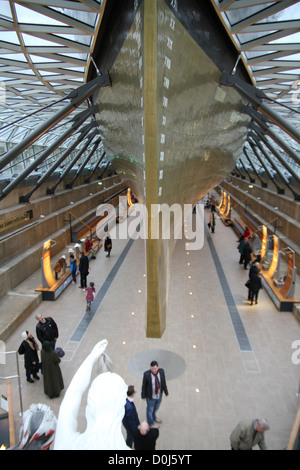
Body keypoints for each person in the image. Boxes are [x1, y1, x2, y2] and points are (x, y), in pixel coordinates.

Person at [54, 340, 129, 450]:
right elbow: (74, 394)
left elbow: (73, 394)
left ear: (89, 408)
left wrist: (91, 357)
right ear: (121, 411)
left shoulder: (67, 444)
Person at [141, 360, 168, 427]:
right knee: (150, 409)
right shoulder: (146, 374)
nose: (154, 370)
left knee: (156, 407)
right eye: (152, 369)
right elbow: (144, 385)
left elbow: (163, 382)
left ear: (158, 367)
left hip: (159, 395)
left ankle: (154, 416)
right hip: (150, 396)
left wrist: (166, 391)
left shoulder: (161, 372)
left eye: (155, 368)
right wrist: (143, 395)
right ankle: (150, 422)